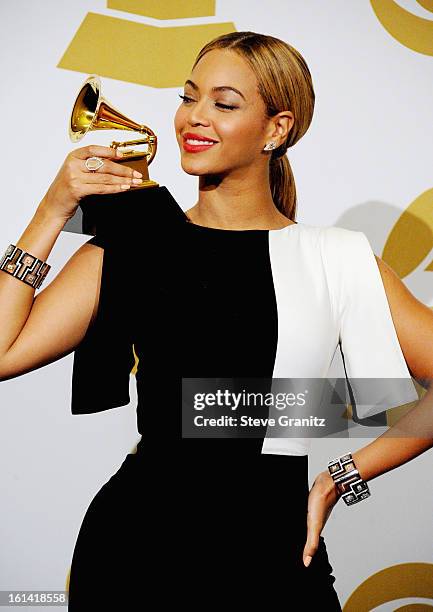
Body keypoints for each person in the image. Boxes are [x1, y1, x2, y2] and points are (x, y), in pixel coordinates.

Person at [0, 31, 432, 610]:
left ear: (277, 129)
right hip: (136, 555)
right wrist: (50, 212)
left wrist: (339, 477)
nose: (194, 118)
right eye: (188, 97)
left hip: (276, 556)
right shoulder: (134, 245)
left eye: (224, 104)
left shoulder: (335, 257)